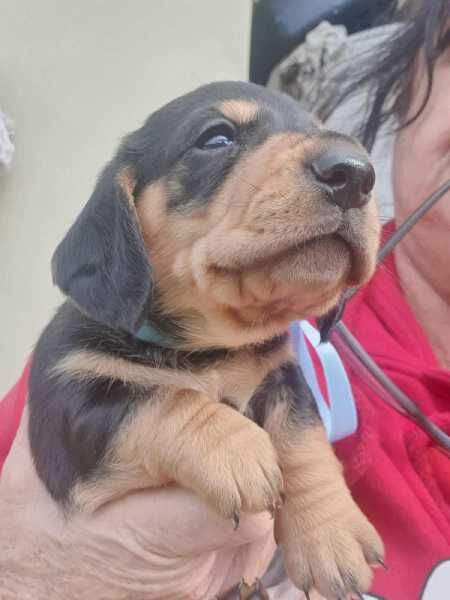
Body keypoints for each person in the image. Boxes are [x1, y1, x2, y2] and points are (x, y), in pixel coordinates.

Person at [0, 1, 449, 598]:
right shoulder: (88, 347)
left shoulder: (273, 341)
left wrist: (312, 492)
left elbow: (289, 409)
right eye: (217, 139)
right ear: (407, 87)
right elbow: (80, 413)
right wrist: (30, 576)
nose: (339, 166)